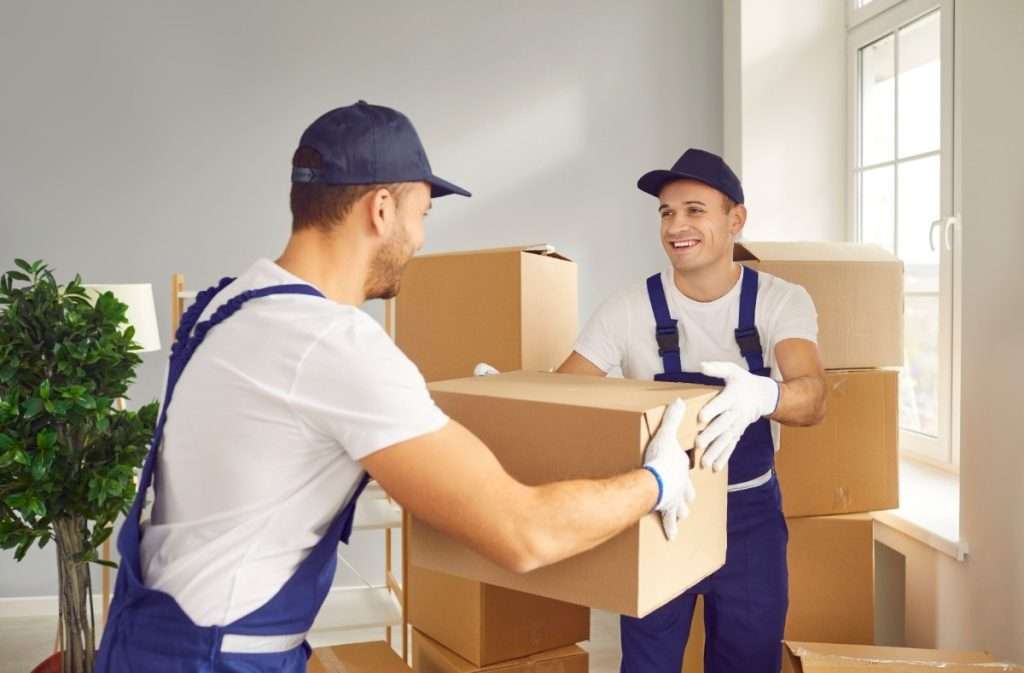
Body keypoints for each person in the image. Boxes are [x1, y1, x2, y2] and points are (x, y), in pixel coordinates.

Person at [95, 101, 697, 673]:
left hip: (140, 639)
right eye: (422, 215)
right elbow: (524, 534)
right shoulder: (335, 345)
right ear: (381, 208)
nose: (421, 238)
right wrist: (658, 480)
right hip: (218, 659)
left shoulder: (224, 305)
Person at [557, 148, 827, 673]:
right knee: (648, 665)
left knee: (747, 662)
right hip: (662, 516)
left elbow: (813, 398)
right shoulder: (629, 308)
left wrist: (764, 395)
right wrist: (512, 394)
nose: (675, 225)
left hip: (749, 520)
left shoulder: (779, 301)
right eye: (666, 212)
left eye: (694, 210)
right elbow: (566, 396)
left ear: (735, 220)